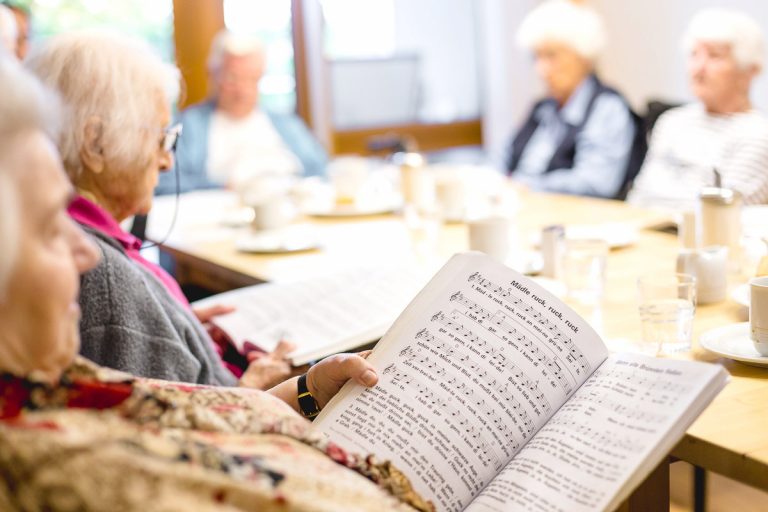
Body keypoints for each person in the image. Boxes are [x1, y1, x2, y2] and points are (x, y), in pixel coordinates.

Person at [0, 56, 431, 512]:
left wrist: (306, 390)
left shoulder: (50, 386)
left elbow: (187, 410)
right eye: (50, 224)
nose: (84, 250)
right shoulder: (68, 463)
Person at [26, 31, 303, 389]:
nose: (167, 161)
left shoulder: (53, 231)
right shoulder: (100, 273)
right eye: (159, 138)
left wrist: (174, 323)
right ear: (94, 145)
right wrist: (255, 388)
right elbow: (184, 432)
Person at [155, 30, 327, 195]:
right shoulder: (189, 126)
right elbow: (166, 182)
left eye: (251, 79)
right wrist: (220, 187)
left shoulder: (286, 123)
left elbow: (321, 169)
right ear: (213, 75)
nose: (242, 89)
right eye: (232, 78)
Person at [628, 8, 768, 209]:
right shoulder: (671, 121)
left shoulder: (758, 134)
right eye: (693, 55)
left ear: (749, 71)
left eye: (714, 56)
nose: (698, 68)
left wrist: (664, 198)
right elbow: (639, 198)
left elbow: (724, 215)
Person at [506, 0, 643, 199]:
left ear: (584, 57)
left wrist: (525, 186)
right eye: (536, 57)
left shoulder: (607, 107)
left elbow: (597, 183)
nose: (541, 70)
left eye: (552, 56)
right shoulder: (542, 109)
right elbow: (504, 157)